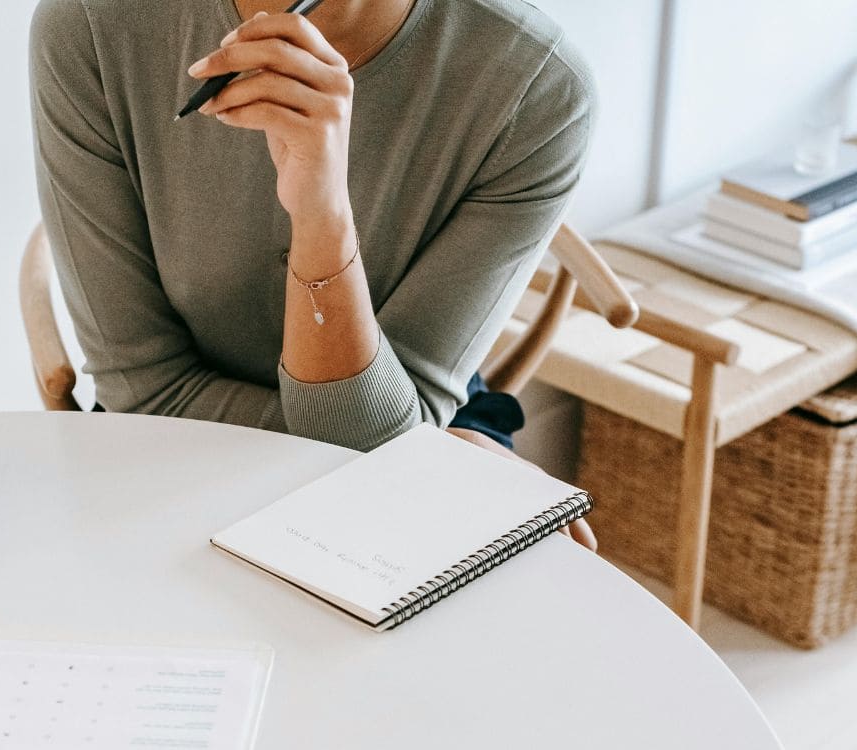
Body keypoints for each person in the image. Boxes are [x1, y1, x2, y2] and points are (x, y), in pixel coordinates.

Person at [29, 0, 597, 549]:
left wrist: (322, 214)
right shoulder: (91, 24)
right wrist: (421, 449)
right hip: (182, 439)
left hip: (410, 422)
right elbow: (145, 387)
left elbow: (393, 428)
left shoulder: (538, 87)